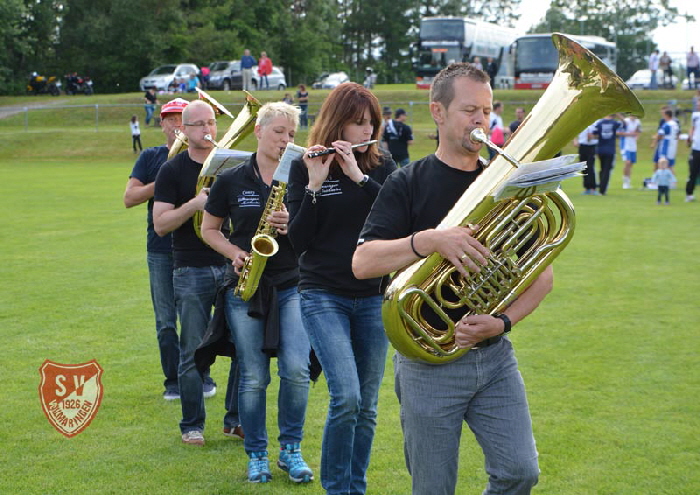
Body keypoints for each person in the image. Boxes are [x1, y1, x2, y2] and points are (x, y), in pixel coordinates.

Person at [352, 62, 549, 495]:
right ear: (437, 112)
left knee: (521, 472)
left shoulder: (506, 187)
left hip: (495, 357)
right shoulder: (407, 182)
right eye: (469, 110)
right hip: (427, 362)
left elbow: (543, 276)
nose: (481, 119)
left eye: (486, 109)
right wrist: (428, 241)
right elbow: (363, 263)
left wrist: (502, 323)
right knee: (433, 487)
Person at [287, 82, 397, 495]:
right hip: (323, 294)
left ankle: (356, 487)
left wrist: (358, 176)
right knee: (347, 397)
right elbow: (298, 241)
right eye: (357, 123)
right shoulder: (304, 165)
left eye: (371, 123)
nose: (365, 130)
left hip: (372, 295)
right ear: (337, 123)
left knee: (367, 406)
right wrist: (315, 186)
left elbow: (402, 217)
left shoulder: (382, 165)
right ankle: (337, 489)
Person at [201, 102, 314, 483]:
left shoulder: (301, 177)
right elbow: (210, 229)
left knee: (297, 370)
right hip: (245, 286)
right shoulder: (232, 179)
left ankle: (291, 451)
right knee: (252, 376)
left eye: (291, 134)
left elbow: (316, 232)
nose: (285, 140)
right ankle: (256, 455)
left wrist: (294, 222)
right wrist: (235, 253)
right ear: (259, 131)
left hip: (292, 284)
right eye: (279, 131)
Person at [153, 100, 240, 446]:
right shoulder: (171, 171)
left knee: (243, 347)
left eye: (212, 122)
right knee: (191, 350)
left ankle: (234, 420)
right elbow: (160, 225)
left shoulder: (233, 167)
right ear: (184, 130)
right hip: (191, 268)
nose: (208, 129)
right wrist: (194, 204)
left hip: (231, 264)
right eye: (199, 124)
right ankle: (192, 424)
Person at [124, 99, 188, 401]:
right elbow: (130, 197)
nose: (176, 125)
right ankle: (173, 380)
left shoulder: (205, 157)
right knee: (165, 323)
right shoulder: (151, 157)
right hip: (160, 249)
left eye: (181, 119)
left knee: (196, 320)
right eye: (170, 119)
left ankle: (200, 375)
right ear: (162, 124)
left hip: (197, 248)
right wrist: (161, 180)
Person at [590, 114, 627, 195]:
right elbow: (624, 125)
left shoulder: (600, 123)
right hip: (610, 149)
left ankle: (600, 186)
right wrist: (619, 116)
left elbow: (594, 134)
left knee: (602, 169)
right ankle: (602, 190)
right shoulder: (614, 123)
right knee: (607, 170)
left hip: (600, 149)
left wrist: (600, 137)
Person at [652, 108, 680, 175]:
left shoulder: (667, 125)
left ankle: (664, 182)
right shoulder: (675, 124)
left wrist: (654, 143)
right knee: (670, 165)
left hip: (666, 147)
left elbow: (660, 135)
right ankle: (672, 182)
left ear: (667, 115)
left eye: (663, 114)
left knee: (663, 164)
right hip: (673, 146)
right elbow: (677, 135)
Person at [575, 123, 598, 195]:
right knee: (583, 167)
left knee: (590, 167)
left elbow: (599, 135)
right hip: (582, 146)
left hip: (592, 146)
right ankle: (587, 187)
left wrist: (593, 137)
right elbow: (574, 132)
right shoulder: (581, 123)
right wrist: (575, 140)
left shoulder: (596, 123)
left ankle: (592, 187)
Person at [621, 115, 642, 189]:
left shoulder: (638, 122)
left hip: (633, 145)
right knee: (627, 162)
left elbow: (638, 131)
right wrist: (630, 134)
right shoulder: (625, 121)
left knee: (631, 164)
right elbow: (618, 133)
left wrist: (637, 136)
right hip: (625, 145)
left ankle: (628, 181)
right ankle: (625, 182)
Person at [685, 105, 700, 201]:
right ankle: (689, 194)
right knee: (693, 172)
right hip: (696, 148)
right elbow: (692, 128)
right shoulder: (695, 115)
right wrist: (689, 138)